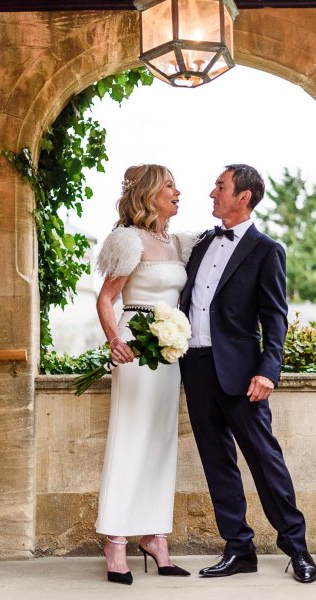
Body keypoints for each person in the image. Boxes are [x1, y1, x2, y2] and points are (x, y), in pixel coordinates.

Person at [180, 164, 316, 583]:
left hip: (243, 375)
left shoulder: (266, 250)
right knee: (217, 462)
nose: (211, 193)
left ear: (244, 196)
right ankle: (238, 548)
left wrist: (268, 372)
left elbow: (274, 318)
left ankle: (297, 549)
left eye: (220, 187)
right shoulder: (202, 244)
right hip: (197, 367)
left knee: (265, 461)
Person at [95, 164, 197, 585]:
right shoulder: (128, 240)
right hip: (136, 347)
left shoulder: (179, 243)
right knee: (130, 436)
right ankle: (115, 541)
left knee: (161, 441)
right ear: (150, 193)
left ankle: (155, 537)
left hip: (170, 352)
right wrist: (112, 341)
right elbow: (105, 298)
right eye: (170, 185)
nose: (178, 191)